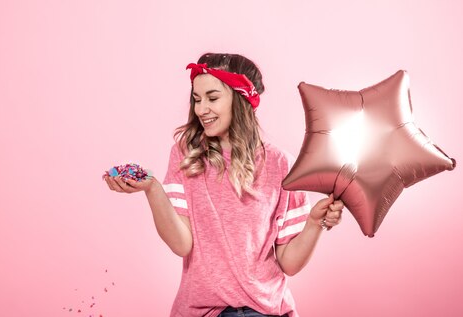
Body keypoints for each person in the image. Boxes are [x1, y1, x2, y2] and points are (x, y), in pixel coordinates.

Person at [104, 53, 344, 317]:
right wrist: (152, 189)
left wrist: (314, 224)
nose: (201, 109)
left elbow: (289, 262)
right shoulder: (185, 155)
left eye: (213, 98)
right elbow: (181, 244)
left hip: (263, 310)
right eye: (197, 99)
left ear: (241, 100)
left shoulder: (282, 165)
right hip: (203, 311)